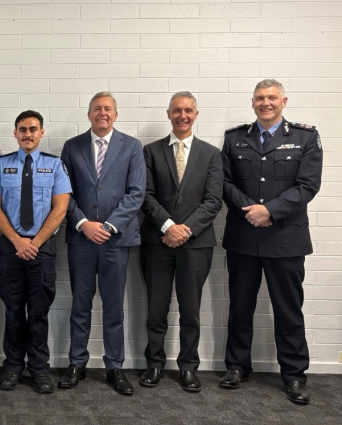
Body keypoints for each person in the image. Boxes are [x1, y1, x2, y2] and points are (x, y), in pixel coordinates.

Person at [219, 79, 322, 405]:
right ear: (253, 103)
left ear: (283, 101)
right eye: (260, 98)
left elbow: (308, 185)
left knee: (289, 311)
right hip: (244, 235)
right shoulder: (235, 137)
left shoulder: (305, 137)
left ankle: (293, 375)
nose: (266, 103)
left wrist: (270, 211)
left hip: (285, 238)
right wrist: (251, 211)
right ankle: (237, 366)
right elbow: (223, 180)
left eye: (272, 98)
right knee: (240, 307)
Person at [59, 91, 145, 396]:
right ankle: (77, 363)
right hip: (81, 239)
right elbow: (63, 193)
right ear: (89, 114)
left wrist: (107, 227)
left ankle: (114, 366)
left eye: (108, 109)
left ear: (116, 114)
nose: (102, 113)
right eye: (97, 108)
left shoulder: (132, 147)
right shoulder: (72, 147)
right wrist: (83, 224)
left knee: (113, 307)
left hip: (115, 240)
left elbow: (136, 193)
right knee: (80, 305)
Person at [138, 92, 223, 392]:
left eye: (188, 110)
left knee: (191, 310)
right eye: (177, 110)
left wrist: (184, 230)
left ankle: (188, 366)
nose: (182, 115)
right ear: (168, 113)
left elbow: (214, 201)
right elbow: (145, 195)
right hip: (156, 242)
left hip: (196, 245)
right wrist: (168, 226)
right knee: (156, 308)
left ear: (196, 114)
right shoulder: (150, 151)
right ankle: (155, 364)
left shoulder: (212, 154)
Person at [0, 110, 71, 394]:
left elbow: (60, 208)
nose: (28, 134)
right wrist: (18, 241)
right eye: (22, 129)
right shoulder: (2, 165)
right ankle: (12, 366)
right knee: (12, 311)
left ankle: (38, 368)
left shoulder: (55, 165)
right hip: (11, 249)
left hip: (41, 250)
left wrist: (34, 243)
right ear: (15, 133)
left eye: (33, 129)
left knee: (38, 312)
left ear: (41, 132)